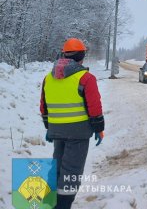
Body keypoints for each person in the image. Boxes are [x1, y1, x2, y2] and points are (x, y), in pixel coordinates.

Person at [40, 38, 104, 209]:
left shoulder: (48, 78)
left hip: (56, 131)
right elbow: (94, 107)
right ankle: (62, 205)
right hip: (78, 133)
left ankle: (49, 202)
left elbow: (44, 106)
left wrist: (48, 127)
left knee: (58, 166)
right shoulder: (86, 78)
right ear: (82, 55)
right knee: (71, 172)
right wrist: (99, 128)